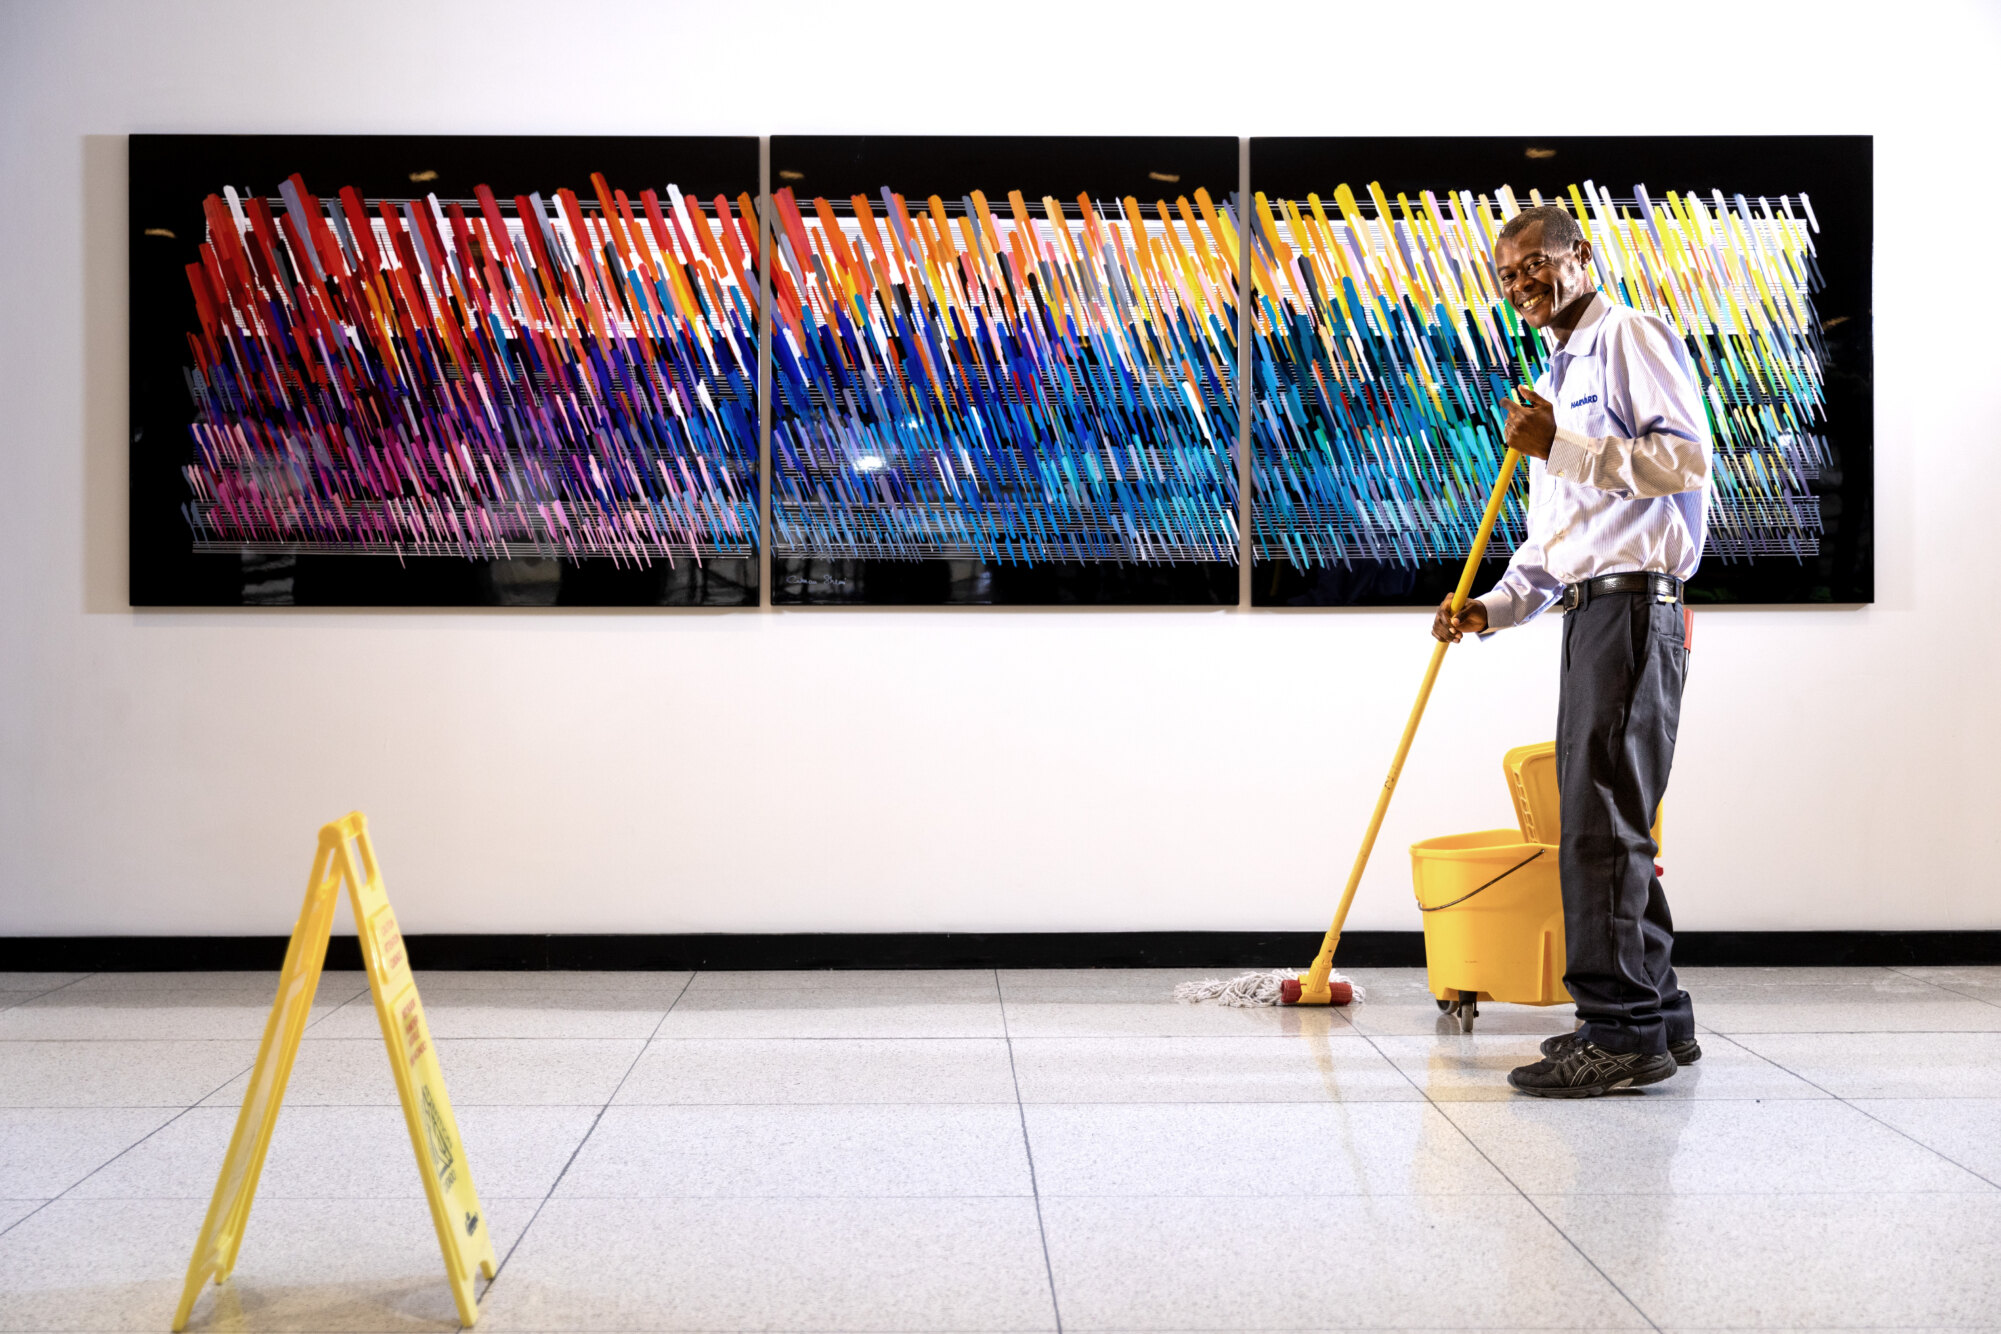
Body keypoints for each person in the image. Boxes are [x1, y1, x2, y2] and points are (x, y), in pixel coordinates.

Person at [1432, 203, 1711, 1097]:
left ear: (1579, 256)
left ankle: (1620, 1033)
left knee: (1597, 823)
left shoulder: (1629, 335)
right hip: (1590, 610)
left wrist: (1565, 444)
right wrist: (1491, 608)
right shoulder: (1557, 371)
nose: (1520, 286)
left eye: (1533, 266)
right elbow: (1558, 539)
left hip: (1633, 607)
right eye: (1506, 277)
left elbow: (1684, 462)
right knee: (1602, 818)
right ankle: (1656, 1012)